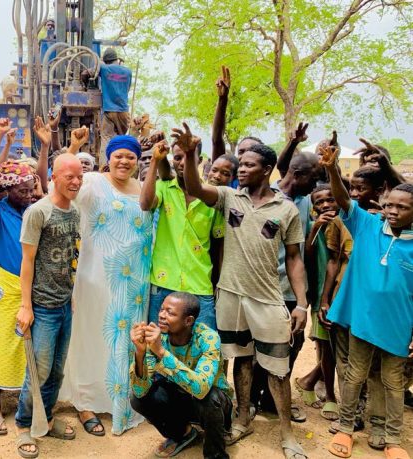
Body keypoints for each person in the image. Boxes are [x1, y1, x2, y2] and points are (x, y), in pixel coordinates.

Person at [180, 123, 309, 459]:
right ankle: (242, 418)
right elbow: (194, 185)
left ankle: (286, 432)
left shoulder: (286, 209)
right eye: (241, 164)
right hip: (231, 295)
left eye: (249, 165)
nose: (242, 169)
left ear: (267, 170)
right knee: (241, 360)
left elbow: (295, 259)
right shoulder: (228, 197)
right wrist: (192, 154)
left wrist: (302, 305)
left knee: (278, 369)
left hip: (268, 298)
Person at [321, 144, 413, 459]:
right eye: (390, 205)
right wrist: (332, 168)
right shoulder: (368, 225)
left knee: (391, 382)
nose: (394, 211)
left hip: (398, 328)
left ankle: (391, 437)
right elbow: (344, 199)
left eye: (403, 207)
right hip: (361, 321)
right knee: (354, 375)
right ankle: (345, 429)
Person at [60, 133, 153, 436]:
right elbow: (62, 190)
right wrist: (72, 148)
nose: (124, 161)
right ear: (108, 158)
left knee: (125, 341)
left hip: (134, 284)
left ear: (138, 161)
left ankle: (119, 398)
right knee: (91, 338)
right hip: (95, 277)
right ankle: (85, 402)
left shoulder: (144, 190)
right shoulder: (92, 183)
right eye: (118, 155)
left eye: (130, 156)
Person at [15, 153, 82, 458]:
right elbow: (27, 263)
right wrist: (25, 306)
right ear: (53, 177)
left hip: (64, 305)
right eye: (70, 177)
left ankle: (48, 418)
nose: (76, 182)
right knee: (37, 372)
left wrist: (73, 296)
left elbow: (72, 258)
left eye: (79, 176)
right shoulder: (38, 212)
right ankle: (25, 424)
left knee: (56, 371)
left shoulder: (76, 212)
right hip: (41, 307)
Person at [252, 151, 320, 422]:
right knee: (261, 348)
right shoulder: (267, 198)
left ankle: (272, 400)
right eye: (314, 179)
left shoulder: (303, 202)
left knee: (292, 344)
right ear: (299, 175)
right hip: (266, 287)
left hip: (293, 289)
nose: (316, 186)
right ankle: (253, 400)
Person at [130, 292, 232, 459]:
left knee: (209, 397)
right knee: (138, 399)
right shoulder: (158, 338)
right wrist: (140, 352)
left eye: (170, 312)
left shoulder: (208, 338)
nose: (162, 315)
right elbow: (140, 390)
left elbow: (200, 389)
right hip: (181, 399)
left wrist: (162, 353)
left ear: (188, 321)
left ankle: (216, 454)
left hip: (214, 406)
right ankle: (183, 433)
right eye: (162, 309)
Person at [139, 134, 224, 329]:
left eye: (189, 157)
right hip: (163, 284)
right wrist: (155, 160)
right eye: (177, 158)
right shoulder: (163, 188)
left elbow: (219, 246)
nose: (182, 163)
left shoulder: (213, 196)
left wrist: (218, 285)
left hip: (200, 286)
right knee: (158, 346)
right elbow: (145, 204)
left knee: (205, 346)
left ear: (200, 160)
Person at [0, 161, 36, 435]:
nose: (28, 195)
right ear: (8, 190)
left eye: (30, 190)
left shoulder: (34, 211)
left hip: (34, 283)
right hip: (6, 284)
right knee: (1, 341)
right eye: (22, 191)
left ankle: (31, 402)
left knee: (32, 343)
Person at [296, 184, 351, 422]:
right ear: (313, 207)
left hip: (346, 295)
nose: (326, 205)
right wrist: (315, 228)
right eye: (319, 202)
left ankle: (309, 382)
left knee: (343, 349)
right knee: (326, 347)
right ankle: (330, 395)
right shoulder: (313, 226)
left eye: (330, 200)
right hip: (321, 295)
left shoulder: (350, 223)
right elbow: (307, 256)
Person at [95, 48, 132, 166]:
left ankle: (104, 166)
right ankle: (122, 164)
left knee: (106, 138)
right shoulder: (128, 72)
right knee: (121, 139)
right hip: (123, 111)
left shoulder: (104, 68)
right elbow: (127, 89)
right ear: (117, 59)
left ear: (106, 60)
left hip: (108, 111)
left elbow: (91, 71)